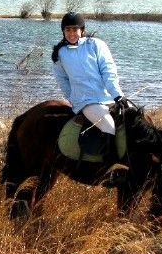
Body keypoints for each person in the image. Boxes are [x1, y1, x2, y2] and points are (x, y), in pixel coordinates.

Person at [51, 12, 127, 174]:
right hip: (87, 102)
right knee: (108, 125)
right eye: (67, 30)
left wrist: (117, 94)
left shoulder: (96, 45)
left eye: (75, 29)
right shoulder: (60, 54)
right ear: (63, 32)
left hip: (108, 97)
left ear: (82, 30)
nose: (71, 33)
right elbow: (62, 80)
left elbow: (108, 71)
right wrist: (73, 98)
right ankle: (111, 170)